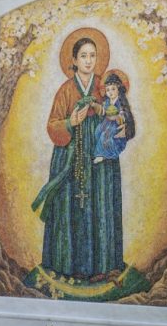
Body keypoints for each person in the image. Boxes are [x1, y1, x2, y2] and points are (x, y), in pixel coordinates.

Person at [31, 31, 127, 286]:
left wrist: (121, 123)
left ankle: (103, 266)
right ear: (74, 60)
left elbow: (121, 111)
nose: (88, 61)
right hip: (70, 157)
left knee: (101, 205)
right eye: (83, 56)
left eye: (92, 56)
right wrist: (70, 122)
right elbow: (52, 125)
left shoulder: (104, 87)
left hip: (99, 156)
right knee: (69, 208)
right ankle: (67, 265)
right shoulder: (65, 90)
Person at [92, 70, 135, 165]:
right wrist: (95, 106)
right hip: (107, 122)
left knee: (105, 135)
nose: (110, 92)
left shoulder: (120, 102)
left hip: (115, 125)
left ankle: (104, 154)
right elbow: (104, 111)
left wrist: (118, 117)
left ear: (118, 89)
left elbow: (124, 115)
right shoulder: (107, 101)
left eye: (113, 89)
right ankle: (101, 152)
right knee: (98, 130)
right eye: (108, 90)